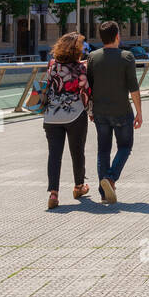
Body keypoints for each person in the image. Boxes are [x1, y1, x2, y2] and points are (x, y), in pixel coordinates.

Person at [86, 21, 142, 206]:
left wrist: (90, 110)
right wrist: (139, 112)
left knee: (103, 150)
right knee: (125, 147)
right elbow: (133, 88)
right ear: (117, 36)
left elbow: (90, 88)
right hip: (122, 111)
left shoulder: (93, 57)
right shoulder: (127, 57)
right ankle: (110, 179)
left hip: (100, 112)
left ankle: (104, 194)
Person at [43, 32, 92, 210]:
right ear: (76, 49)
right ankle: (79, 187)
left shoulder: (52, 64)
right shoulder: (80, 68)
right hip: (74, 115)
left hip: (51, 116)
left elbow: (48, 85)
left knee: (54, 155)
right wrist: (90, 110)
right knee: (77, 152)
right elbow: (86, 91)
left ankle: (53, 193)